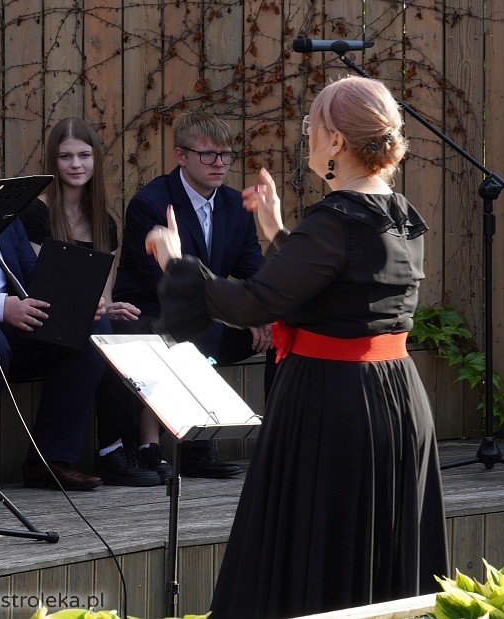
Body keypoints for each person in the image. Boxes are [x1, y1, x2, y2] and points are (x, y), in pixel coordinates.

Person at [145, 75, 447, 617]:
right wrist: (276, 230)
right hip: (394, 400)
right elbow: (339, 287)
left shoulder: (334, 220)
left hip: (333, 404)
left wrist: (175, 263)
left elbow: (252, 304)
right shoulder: (399, 213)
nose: (307, 134)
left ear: (336, 142)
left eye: (313, 125)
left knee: (322, 546)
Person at [0, 112, 111, 492]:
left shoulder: (0, 206)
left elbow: (32, 273)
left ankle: (50, 459)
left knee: (92, 329)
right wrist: (1, 307)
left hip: (13, 322)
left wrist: (75, 303)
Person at [111, 110, 273, 479]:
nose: (220, 164)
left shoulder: (234, 205)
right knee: (197, 328)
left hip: (214, 311)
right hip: (150, 313)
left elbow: (254, 271)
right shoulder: (150, 204)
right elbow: (165, 282)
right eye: (208, 155)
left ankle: (278, 439)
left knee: (282, 334)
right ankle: (195, 446)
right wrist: (237, 312)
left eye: (226, 155)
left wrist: (261, 313)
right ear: (181, 157)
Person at [15, 118, 158, 487]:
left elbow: (104, 296)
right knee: (98, 333)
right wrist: (91, 311)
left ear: (95, 161)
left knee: (127, 327)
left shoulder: (104, 223)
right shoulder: (37, 214)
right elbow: (34, 286)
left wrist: (109, 307)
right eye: (66, 157)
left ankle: (122, 447)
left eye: (83, 155)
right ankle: (92, 453)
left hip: (83, 324)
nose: (76, 164)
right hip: (36, 322)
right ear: (53, 161)